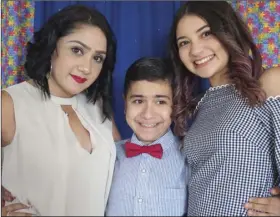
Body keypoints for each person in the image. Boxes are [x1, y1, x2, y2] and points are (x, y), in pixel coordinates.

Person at [1, 4, 119, 216]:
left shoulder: (99, 109)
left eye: (97, 58)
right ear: (52, 46)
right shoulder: (11, 103)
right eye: (77, 50)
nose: (86, 67)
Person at [169, 1, 280, 216]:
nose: (195, 50)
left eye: (206, 33)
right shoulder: (201, 105)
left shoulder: (269, 82)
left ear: (228, 31)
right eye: (184, 42)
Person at [105, 57, 188, 216]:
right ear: (125, 104)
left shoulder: (190, 157)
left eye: (160, 102)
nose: (148, 114)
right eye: (138, 101)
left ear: (175, 104)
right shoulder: (108, 155)